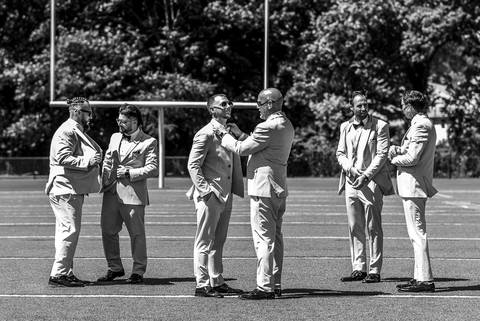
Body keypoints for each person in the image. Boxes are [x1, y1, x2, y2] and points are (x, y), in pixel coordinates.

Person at [214, 88, 294, 300]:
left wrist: (225, 136)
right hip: (278, 187)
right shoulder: (286, 124)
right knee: (275, 237)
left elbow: (241, 149)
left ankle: (264, 286)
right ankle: (274, 283)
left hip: (264, 189)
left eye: (259, 103)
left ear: (269, 103)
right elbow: (259, 145)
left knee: (263, 239)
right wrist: (241, 134)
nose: (257, 107)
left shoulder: (267, 126)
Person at [186, 94, 245, 298]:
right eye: (223, 104)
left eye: (230, 102)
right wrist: (205, 191)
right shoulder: (205, 133)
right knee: (204, 241)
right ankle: (202, 285)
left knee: (218, 241)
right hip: (210, 195)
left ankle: (217, 281)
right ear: (212, 110)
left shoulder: (228, 131)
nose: (229, 105)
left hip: (225, 195)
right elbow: (193, 165)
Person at [336, 91, 394, 283]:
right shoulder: (345, 126)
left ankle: (375, 270)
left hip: (372, 182)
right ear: (351, 107)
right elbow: (340, 153)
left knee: (373, 227)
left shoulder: (381, 125)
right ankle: (358, 268)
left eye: (365, 105)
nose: (363, 108)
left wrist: (366, 176)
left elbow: (382, 155)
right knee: (355, 226)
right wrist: (350, 169)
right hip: (351, 181)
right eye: (359, 105)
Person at [97, 104, 158, 284]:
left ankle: (138, 271)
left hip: (133, 194)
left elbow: (153, 168)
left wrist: (130, 173)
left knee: (136, 234)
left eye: (123, 121)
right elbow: (109, 159)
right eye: (118, 120)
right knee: (107, 231)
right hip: (111, 192)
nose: (119, 124)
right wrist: (104, 174)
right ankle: (114, 268)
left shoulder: (149, 141)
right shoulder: (115, 137)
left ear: (134, 121)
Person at [46, 97, 102, 287]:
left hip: (68, 188)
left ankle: (66, 272)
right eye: (88, 112)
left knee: (65, 230)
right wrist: (88, 162)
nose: (90, 116)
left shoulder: (72, 129)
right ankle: (59, 274)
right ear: (76, 111)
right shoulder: (68, 130)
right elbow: (63, 157)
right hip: (65, 188)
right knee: (70, 230)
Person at [389, 90, 437, 292]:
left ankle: (425, 279)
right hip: (412, 185)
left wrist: (392, 159)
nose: (402, 109)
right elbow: (411, 153)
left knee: (418, 234)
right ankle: (419, 276)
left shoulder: (421, 125)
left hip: (414, 185)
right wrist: (398, 149)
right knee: (415, 234)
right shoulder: (419, 124)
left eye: (403, 105)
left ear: (410, 106)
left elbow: (413, 159)